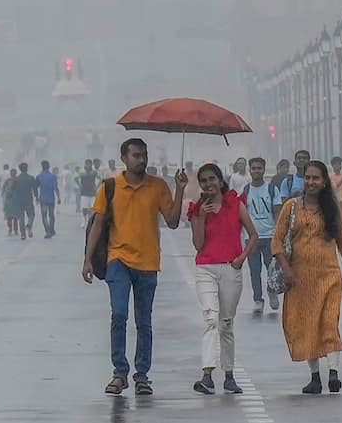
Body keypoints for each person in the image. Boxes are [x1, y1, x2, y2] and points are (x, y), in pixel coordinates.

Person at [82, 137, 188, 396]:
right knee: (119, 315)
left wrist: (180, 188)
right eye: (136, 155)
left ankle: (141, 374)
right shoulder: (110, 186)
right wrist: (87, 258)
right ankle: (120, 372)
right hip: (117, 259)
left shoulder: (158, 186)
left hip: (148, 262)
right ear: (124, 159)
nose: (141, 160)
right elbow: (98, 223)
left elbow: (173, 222)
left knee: (144, 321)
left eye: (144, 155)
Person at [271, 160, 342, 395]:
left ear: (324, 181)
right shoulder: (291, 207)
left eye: (316, 178)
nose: (311, 182)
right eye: (307, 178)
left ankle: (334, 373)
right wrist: (286, 268)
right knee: (307, 326)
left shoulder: (332, 208)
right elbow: (276, 242)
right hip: (299, 280)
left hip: (329, 276)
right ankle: (315, 378)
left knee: (329, 323)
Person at [188, 163, 257, 395]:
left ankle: (229, 375)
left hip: (230, 268)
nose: (208, 184)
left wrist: (241, 258)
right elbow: (198, 244)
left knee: (226, 323)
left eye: (212, 179)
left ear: (220, 180)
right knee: (210, 318)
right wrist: (200, 218)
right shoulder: (198, 209)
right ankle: (207, 375)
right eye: (204, 181)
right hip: (206, 268)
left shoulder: (234, 203)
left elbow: (253, 235)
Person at [239, 157, 282, 314]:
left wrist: (278, 233)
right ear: (250, 170)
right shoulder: (246, 191)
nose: (256, 171)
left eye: (259, 168)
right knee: (254, 270)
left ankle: (272, 291)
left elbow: (277, 212)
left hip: (269, 236)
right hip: (252, 238)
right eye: (254, 168)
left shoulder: (272, 189)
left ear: (264, 170)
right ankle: (258, 299)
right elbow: (241, 214)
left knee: (272, 269)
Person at [13, 162, 38, 240]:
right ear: (27, 169)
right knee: (31, 215)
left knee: (21, 218)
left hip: (19, 200)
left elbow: (12, 189)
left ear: (20, 169)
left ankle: (23, 235)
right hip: (28, 200)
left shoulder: (16, 179)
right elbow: (35, 189)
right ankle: (29, 225)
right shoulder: (31, 178)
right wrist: (37, 197)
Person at [36, 160, 61, 238]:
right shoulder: (53, 176)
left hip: (43, 199)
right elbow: (56, 188)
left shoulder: (39, 176)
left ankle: (47, 231)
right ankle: (52, 229)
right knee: (51, 215)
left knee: (44, 216)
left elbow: (36, 188)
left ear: (42, 167)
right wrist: (59, 197)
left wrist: (36, 198)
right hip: (51, 199)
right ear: (49, 167)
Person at [78, 159, 101, 228]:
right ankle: (84, 221)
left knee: (92, 208)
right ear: (85, 164)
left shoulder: (94, 172)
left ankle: (89, 221)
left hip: (92, 193)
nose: (88, 165)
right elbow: (76, 178)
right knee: (84, 208)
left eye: (89, 164)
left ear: (91, 165)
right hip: (84, 192)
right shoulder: (81, 171)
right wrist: (79, 186)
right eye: (87, 164)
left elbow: (101, 178)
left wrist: (97, 187)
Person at [2, 168, 19, 235]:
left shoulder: (9, 181)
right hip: (12, 200)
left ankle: (12, 230)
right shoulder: (15, 180)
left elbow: (3, 190)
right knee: (14, 217)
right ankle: (14, 230)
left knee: (11, 217)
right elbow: (3, 190)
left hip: (11, 200)